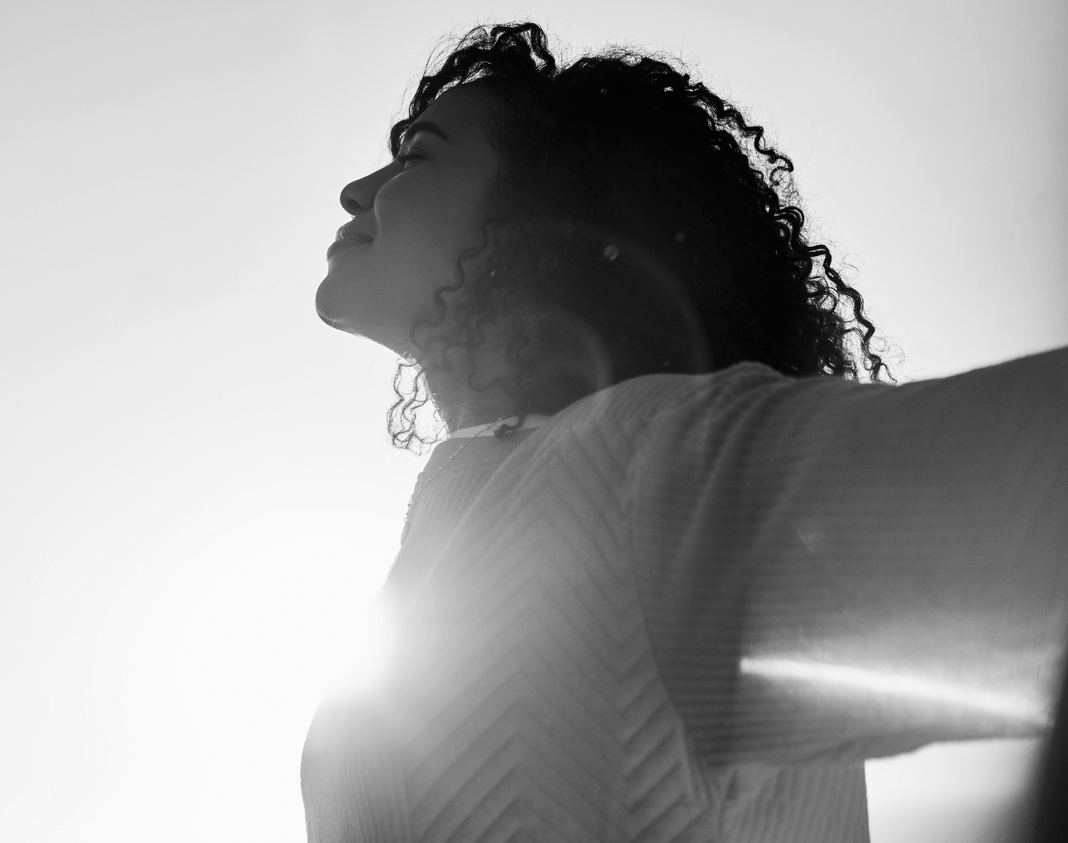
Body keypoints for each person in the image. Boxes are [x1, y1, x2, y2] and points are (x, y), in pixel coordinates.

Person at [304, 22, 1068, 843]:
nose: (357, 189)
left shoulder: (659, 471)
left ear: (547, 210)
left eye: (417, 156)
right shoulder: (462, 531)